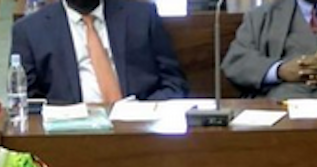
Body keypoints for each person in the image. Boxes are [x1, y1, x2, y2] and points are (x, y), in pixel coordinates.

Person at [10, 0, 189, 104]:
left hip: (140, 128)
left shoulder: (142, 14)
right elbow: (27, 103)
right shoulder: (29, 31)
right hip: (70, 136)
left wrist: (144, 111)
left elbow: (174, 82)